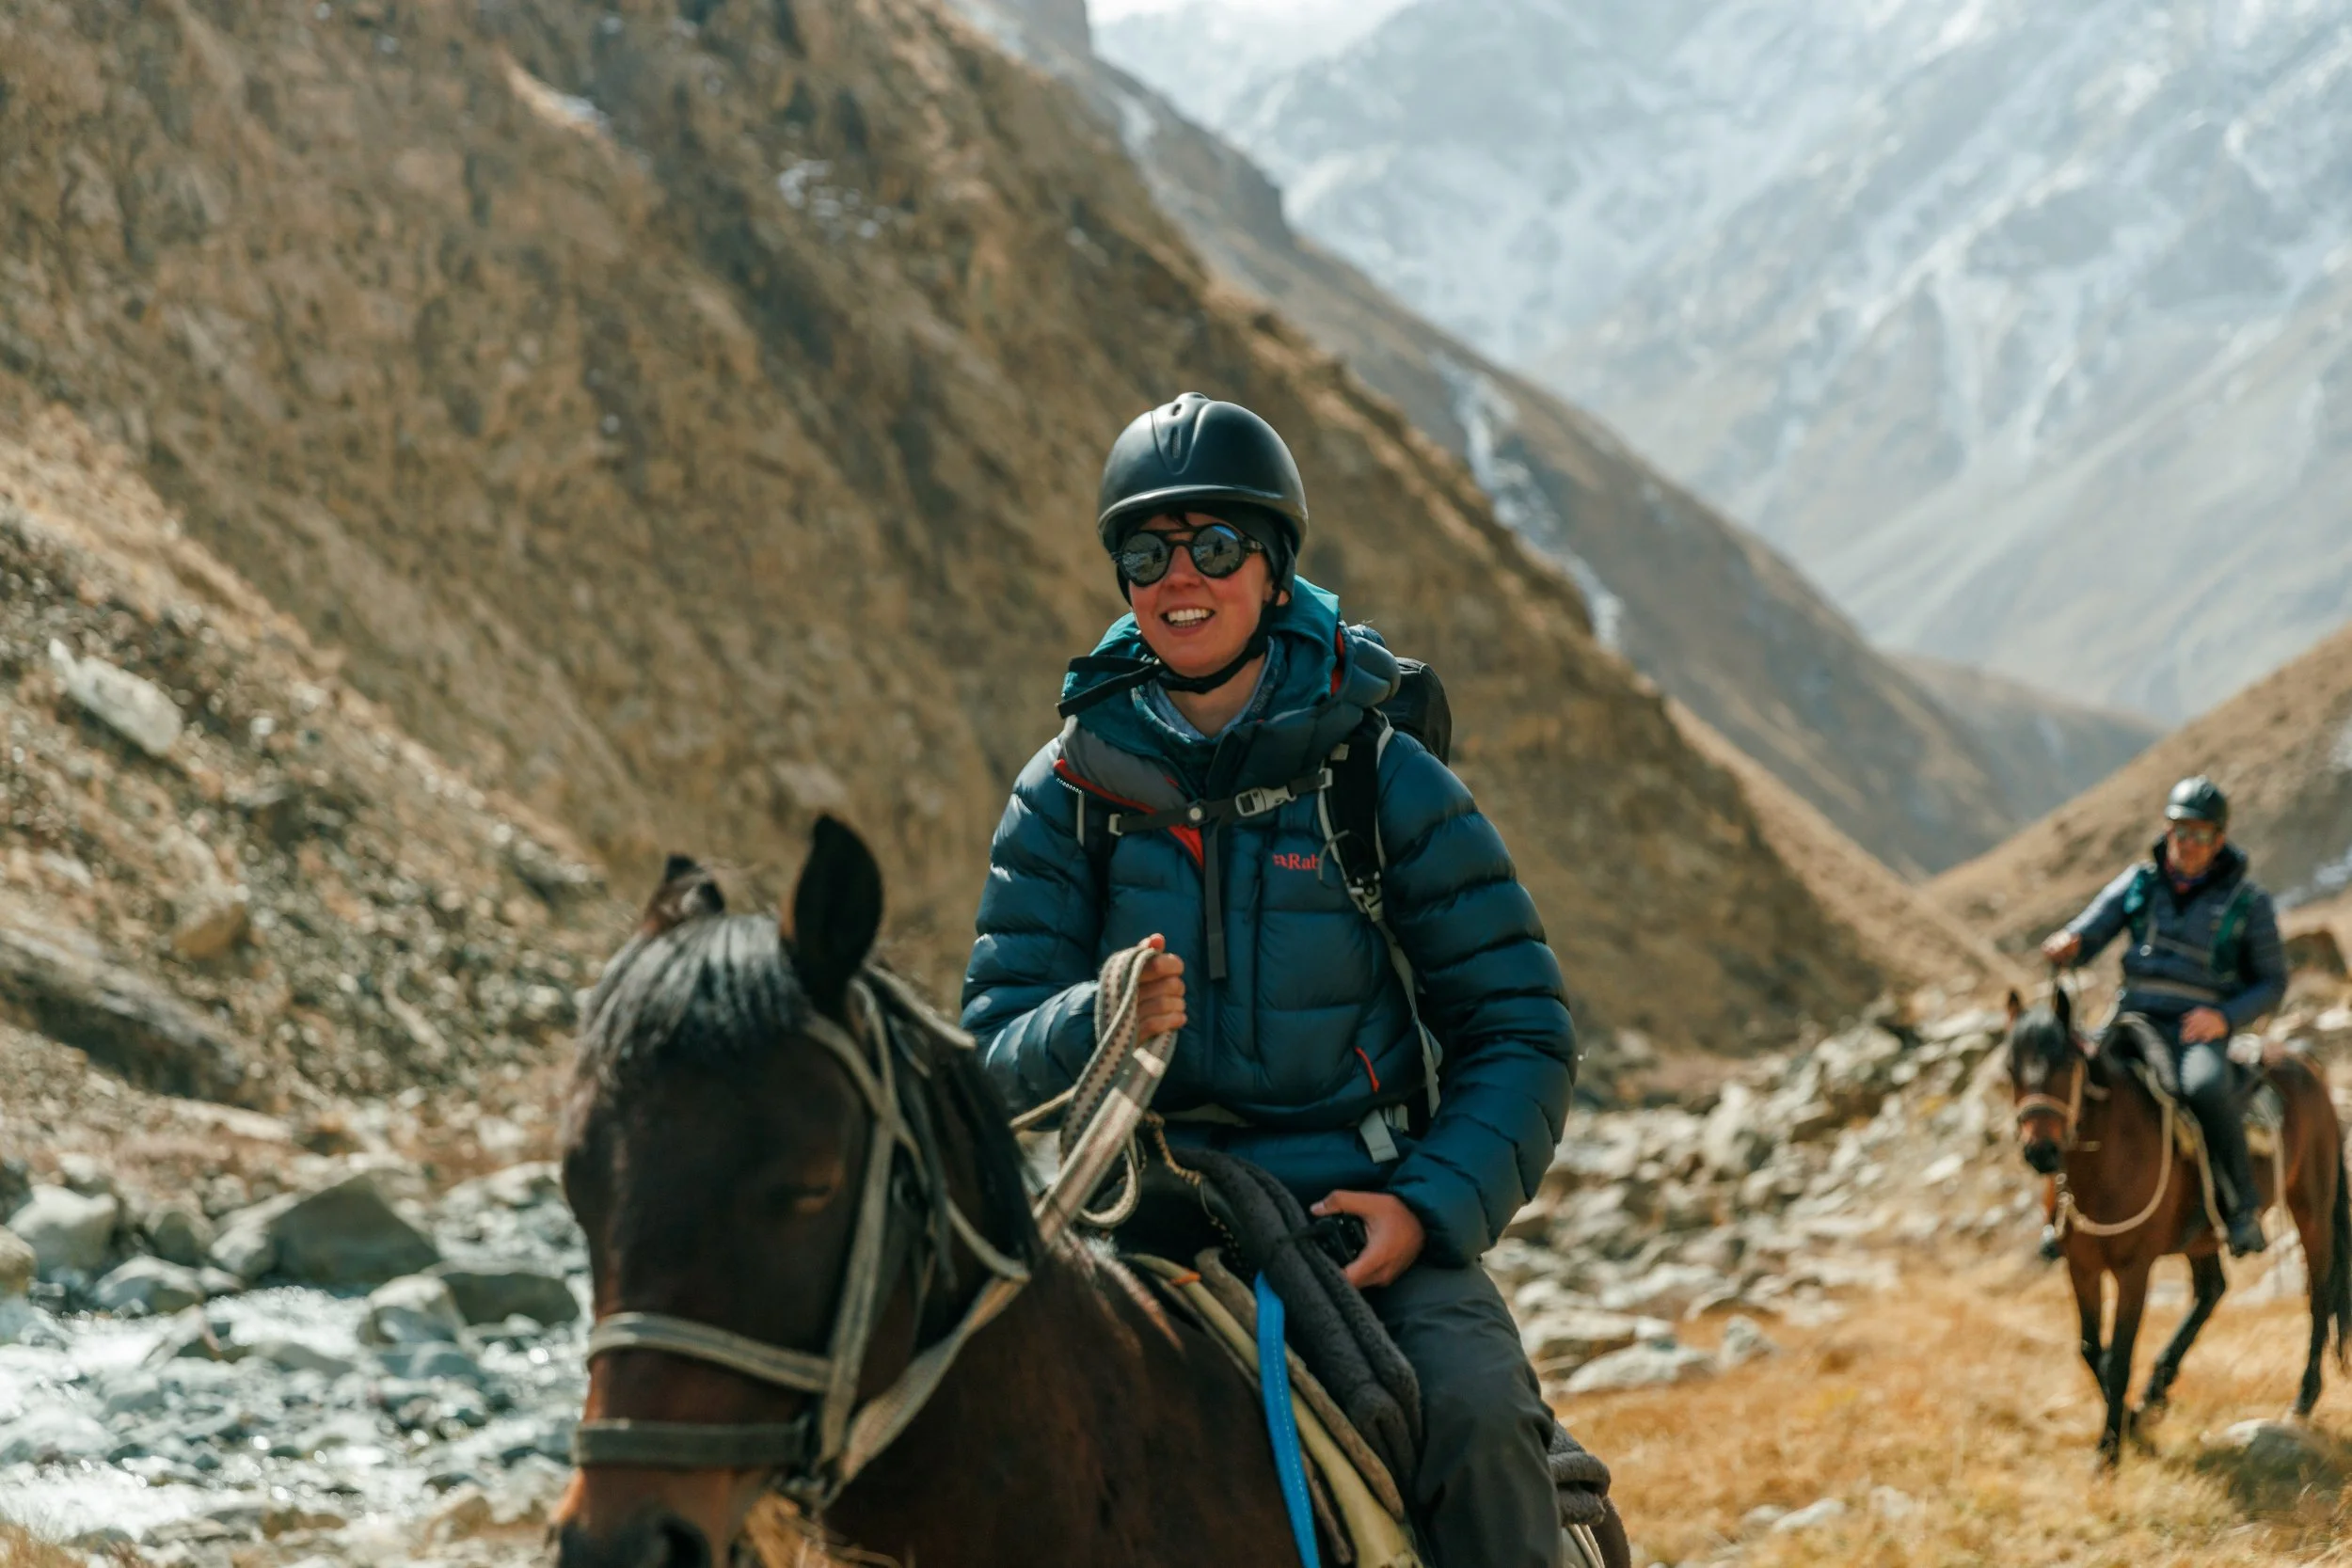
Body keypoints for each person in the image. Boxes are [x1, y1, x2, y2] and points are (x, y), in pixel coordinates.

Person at [962, 393, 1576, 1568]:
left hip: (1361, 1220)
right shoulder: (1067, 791)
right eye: (1146, 550)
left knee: (1484, 1428)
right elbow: (985, 1052)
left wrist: (1430, 1207)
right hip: (1136, 1224)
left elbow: (1519, 1029)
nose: (1178, 575)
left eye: (1215, 544)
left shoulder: (1376, 774)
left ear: (1274, 565)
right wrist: (1093, 1022)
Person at [2040, 775, 2286, 1256]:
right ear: (2167, 830)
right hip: (2132, 1016)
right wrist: (2070, 941)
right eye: (2180, 831)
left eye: (2200, 835)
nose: (2187, 844)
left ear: (2219, 839)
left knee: (2204, 1087)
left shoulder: (2248, 903)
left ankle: (2240, 1210)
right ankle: (2060, 1212)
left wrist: (2225, 1016)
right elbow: (2091, 930)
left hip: (2197, 1025)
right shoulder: (2140, 883)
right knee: (2072, 1080)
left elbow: (2272, 983)